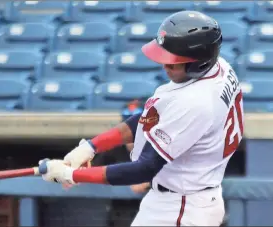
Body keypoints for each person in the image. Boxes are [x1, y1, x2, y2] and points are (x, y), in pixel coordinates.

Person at [38, 11, 244, 226]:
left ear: (198, 64)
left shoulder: (195, 101)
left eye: (173, 62)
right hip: (176, 199)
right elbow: (150, 118)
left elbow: (144, 169)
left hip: (183, 207)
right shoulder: (218, 67)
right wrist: (90, 147)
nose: (165, 66)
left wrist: (72, 175)